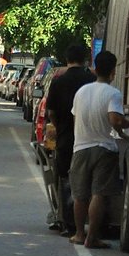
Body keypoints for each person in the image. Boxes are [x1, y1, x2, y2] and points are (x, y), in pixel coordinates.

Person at [68, 50, 129, 249]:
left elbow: (75, 119)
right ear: (113, 72)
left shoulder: (81, 92)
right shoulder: (113, 93)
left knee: (80, 194)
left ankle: (80, 234)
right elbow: (115, 119)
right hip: (105, 148)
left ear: (95, 69)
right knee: (99, 193)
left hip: (80, 147)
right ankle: (92, 238)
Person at [43, 44, 95, 236]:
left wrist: (59, 127)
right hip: (89, 138)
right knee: (88, 182)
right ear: (85, 60)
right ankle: (91, 224)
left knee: (65, 180)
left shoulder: (59, 81)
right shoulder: (92, 80)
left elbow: (52, 112)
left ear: (67, 60)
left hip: (66, 138)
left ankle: (68, 224)